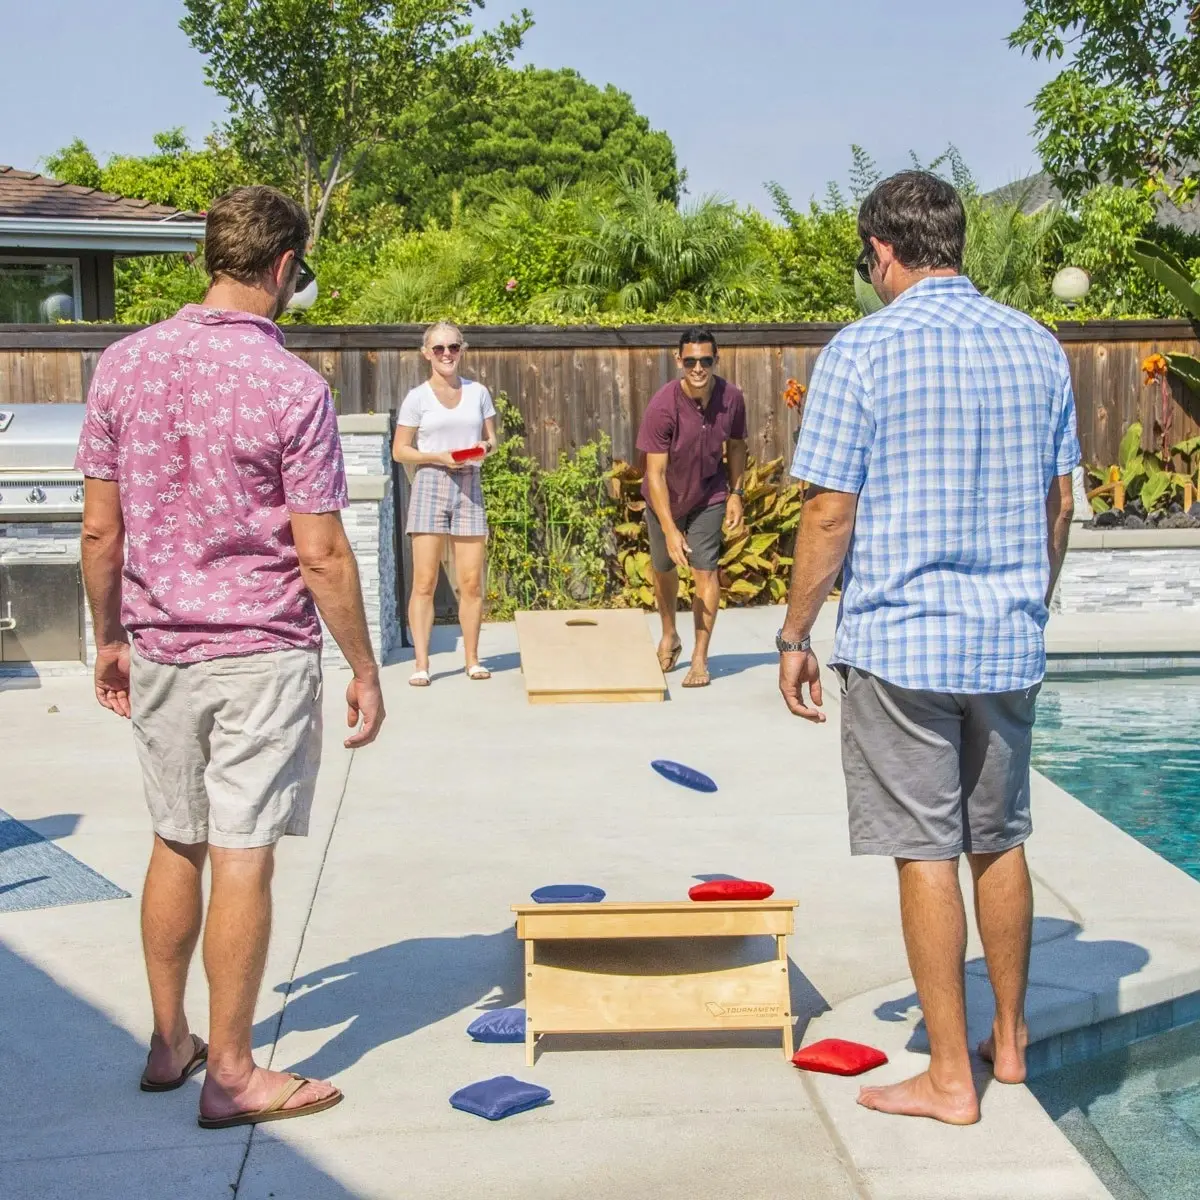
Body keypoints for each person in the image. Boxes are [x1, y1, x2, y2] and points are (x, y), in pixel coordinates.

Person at [77, 184, 386, 1129]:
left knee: (177, 838)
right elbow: (322, 551)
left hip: (162, 646)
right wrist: (366, 669)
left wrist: (111, 639)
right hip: (259, 652)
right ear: (287, 268)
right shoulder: (293, 388)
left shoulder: (120, 367)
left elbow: (99, 533)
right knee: (244, 853)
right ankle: (236, 1072)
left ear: (205, 258)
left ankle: (172, 1043)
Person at [777, 171, 1079, 1125]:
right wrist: (1029, 600)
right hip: (1003, 641)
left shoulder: (861, 351)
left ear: (881, 253)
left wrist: (793, 632)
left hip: (903, 646)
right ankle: (1013, 1044)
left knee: (924, 851)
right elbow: (1058, 503)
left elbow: (829, 512)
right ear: (957, 241)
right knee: (1002, 840)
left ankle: (952, 1078)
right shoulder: (1037, 345)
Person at [636, 327, 747, 687]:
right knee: (663, 567)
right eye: (690, 361)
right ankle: (670, 633)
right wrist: (670, 530)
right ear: (678, 359)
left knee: (706, 571)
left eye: (705, 360)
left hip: (709, 495)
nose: (698, 368)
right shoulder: (663, 405)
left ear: (716, 358)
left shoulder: (731, 398)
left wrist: (736, 493)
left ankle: (700, 658)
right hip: (664, 497)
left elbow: (737, 445)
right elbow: (655, 473)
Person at [392, 322, 497, 686]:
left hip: (470, 481)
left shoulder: (478, 392)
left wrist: (482, 449)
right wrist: (439, 457)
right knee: (425, 580)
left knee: (470, 582)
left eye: (453, 346)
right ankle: (421, 664)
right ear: (427, 353)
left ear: (462, 349)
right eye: (439, 349)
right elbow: (400, 449)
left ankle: (472, 659)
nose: (447, 354)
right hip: (431, 482)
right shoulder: (417, 398)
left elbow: (492, 439)